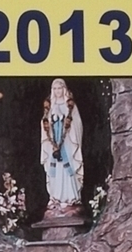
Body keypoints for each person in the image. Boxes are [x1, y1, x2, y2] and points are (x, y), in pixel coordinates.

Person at [40, 77, 84, 213]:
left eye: (60, 88)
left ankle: (70, 197)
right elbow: (44, 123)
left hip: (67, 142)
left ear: (64, 89)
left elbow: (78, 124)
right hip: (54, 143)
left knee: (67, 168)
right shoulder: (50, 106)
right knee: (55, 169)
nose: (57, 91)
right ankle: (55, 197)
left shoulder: (70, 106)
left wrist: (65, 120)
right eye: (55, 89)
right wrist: (51, 121)